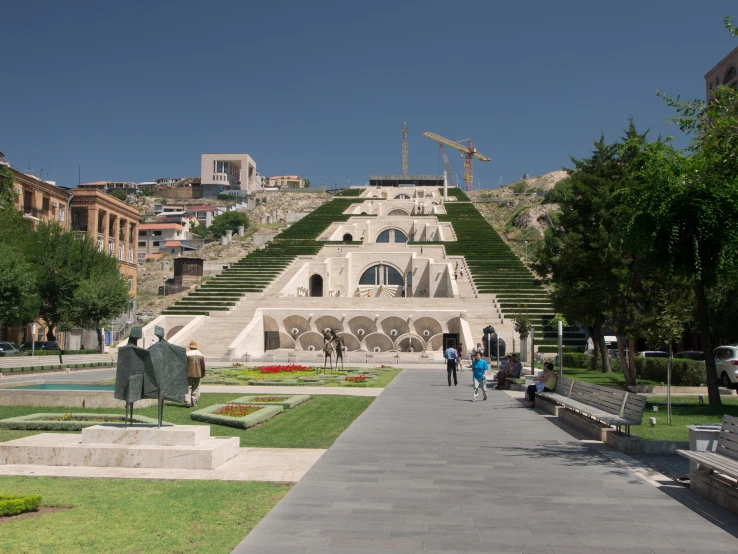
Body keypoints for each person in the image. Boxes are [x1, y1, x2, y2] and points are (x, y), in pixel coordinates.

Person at [185, 340, 206, 408]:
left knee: (187, 388)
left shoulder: (187, 354)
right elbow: (203, 365)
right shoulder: (201, 354)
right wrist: (203, 373)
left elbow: (184, 364)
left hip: (189, 373)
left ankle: (187, 402)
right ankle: (194, 403)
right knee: (196, 389)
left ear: (190, 347)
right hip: (198, 374)